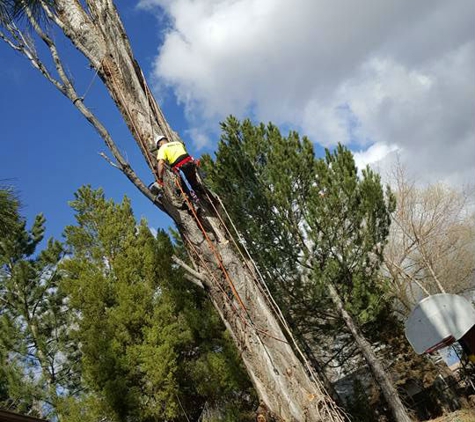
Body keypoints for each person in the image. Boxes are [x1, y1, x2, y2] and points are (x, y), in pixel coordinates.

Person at [155, 135, 205, 199]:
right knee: (193, 183)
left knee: (181, 189)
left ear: (160, 143)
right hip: (191, 165)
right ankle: (202, 193)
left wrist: (160, 178)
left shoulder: (162, 148)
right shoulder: (178, 143)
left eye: (158, 147)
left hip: (181, 168)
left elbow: (161, 163)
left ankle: (195, 205)